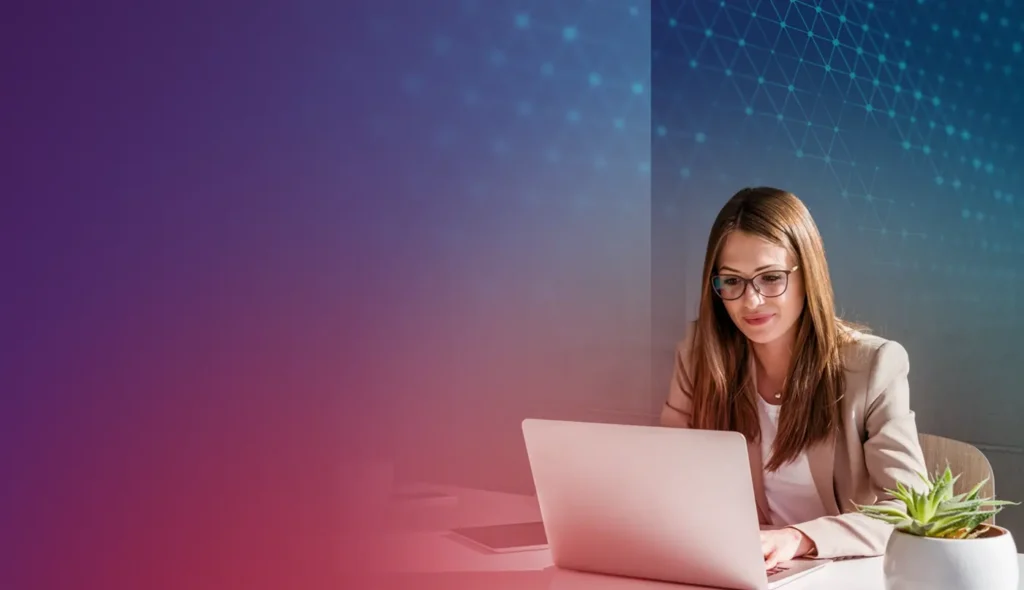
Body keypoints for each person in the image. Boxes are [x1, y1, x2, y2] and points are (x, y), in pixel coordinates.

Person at [660, 186, 929, 569]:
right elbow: (666, 479)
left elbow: (910, 508)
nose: (751, 301)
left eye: (771, 278)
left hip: (840, 571)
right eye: (732, 281)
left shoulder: (873, 365)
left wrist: (799, 538)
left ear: (809, 275)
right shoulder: (698, 356)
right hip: (737, 568)